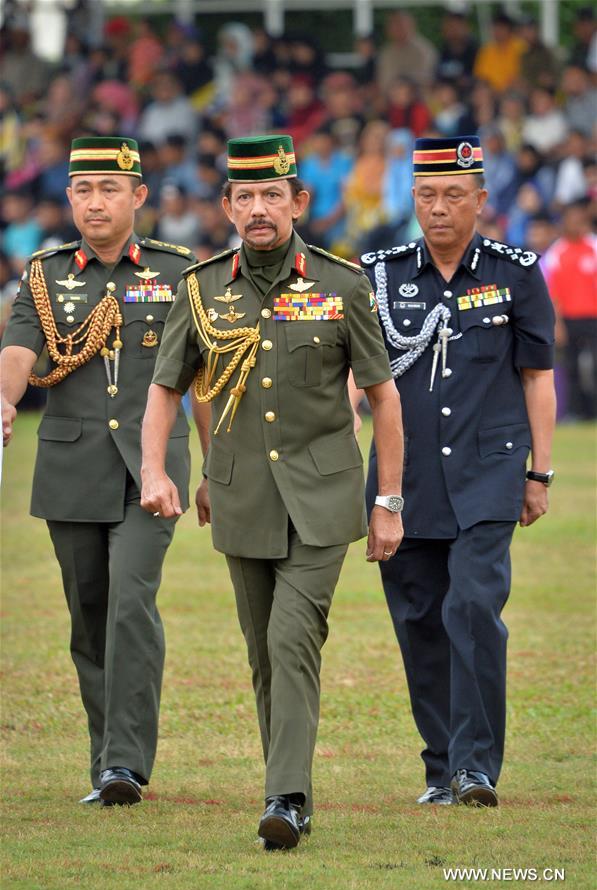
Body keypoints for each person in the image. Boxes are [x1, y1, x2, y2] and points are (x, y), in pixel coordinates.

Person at [140, 134, 403, 849]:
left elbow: (382, 398)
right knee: (263, 653)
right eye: (245, 196)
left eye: (271, 195)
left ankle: (283, 796)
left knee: (292, 638)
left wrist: (388, 500)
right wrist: (158, 469)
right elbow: (166, 388)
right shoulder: (199, 288)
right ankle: (292, 793)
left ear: (299, 200)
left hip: (324, 497)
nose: (258, 209)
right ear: (226, 204)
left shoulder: (343, 284)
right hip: (238, 494)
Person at [356, 135, 555, 808]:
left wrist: (540, 473)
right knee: (418, 620)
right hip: (401, 478)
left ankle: (475, 767)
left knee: (471, 605)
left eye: (452, 196)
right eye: (425, 195)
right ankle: (440, 765)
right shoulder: (379, 274)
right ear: (411, 198)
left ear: (479, 200)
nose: (437, 209)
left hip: (488, 471)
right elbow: (354, 376)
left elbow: (536, 377)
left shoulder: (515, 271)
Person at [0, 136, 195, 806]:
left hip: (153, 468)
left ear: (139, 196)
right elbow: (20, 347)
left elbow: (212, 369)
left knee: (130, 603)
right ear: (70, 198)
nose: (95, 202)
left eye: (109, 189)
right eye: (83, 190)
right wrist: (3, 395)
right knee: (89, 615)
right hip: (71, 464)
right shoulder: (45, 274)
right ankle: (104, 757)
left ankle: (125, 764)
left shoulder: (179, 273)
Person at [545, 200, 597, 421]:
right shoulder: (557, 252)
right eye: (570, 218)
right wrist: (558, 324)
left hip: (594, 317)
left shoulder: (594, 246)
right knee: (572, 367)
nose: (574, 223)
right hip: (570, 319)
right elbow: (553, 294)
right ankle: (576, 412)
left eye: (578, 218)